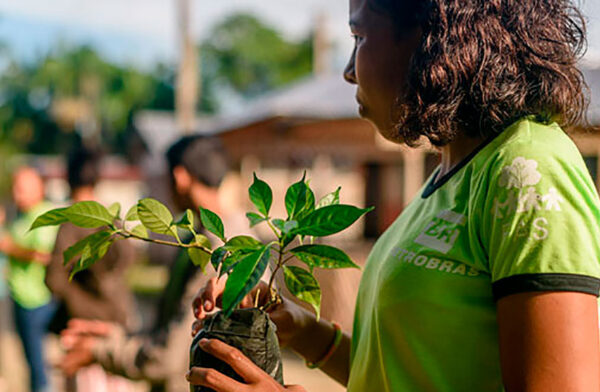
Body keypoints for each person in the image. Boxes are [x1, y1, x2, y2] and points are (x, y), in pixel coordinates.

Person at [189, 1, 600, 391]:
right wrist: (301, 328)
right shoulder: (448, 177)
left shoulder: (528, 170)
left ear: (434, 37)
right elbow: (400, 375)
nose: (349, 71)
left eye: (359, 36)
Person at [59, 135, 232, 392]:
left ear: (180, 177)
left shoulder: (217, 252)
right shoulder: (192, 242)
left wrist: (101, 351)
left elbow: (169, 356)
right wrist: (114, 336)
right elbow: (170, 328)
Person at [45, 146, 137, 392]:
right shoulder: (109, 220)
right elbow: (127, 258)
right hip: (116, 322)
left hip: (81, 327)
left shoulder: (70, 222)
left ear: (68, 178)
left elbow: (54, 279)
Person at [0, 167, 59, 392]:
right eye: (15, 188)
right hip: (20, 297)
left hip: (37, 300)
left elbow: (43, 254)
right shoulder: (21, 217)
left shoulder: (44, 215)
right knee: (28, 361)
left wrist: (10, 247)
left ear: (39, 189)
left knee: (38, 365)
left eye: (22, 189)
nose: (17, 194)